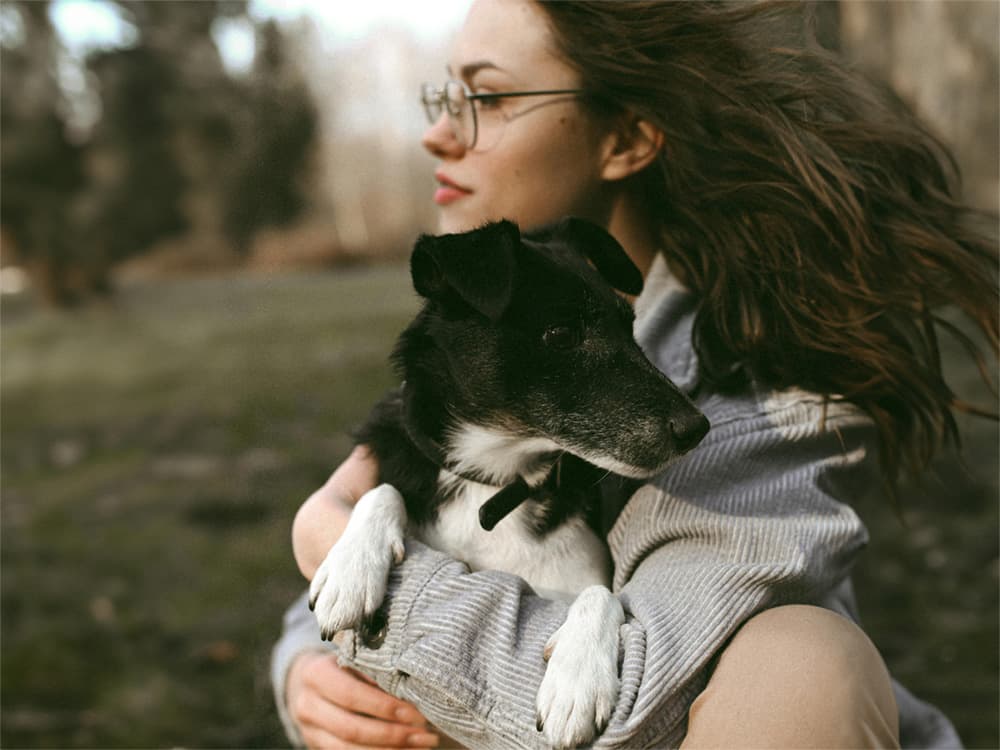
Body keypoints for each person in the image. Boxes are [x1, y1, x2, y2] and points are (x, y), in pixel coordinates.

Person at [271, 1, 998, 748]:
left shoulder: (764, 397)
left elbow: (636, 709)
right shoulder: (500, 352)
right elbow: (381, 558)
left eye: (489, 98)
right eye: (446, 97)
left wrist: (359, 571)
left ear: (627, 138)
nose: (439, 133)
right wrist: (305, 669)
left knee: (803, 661)